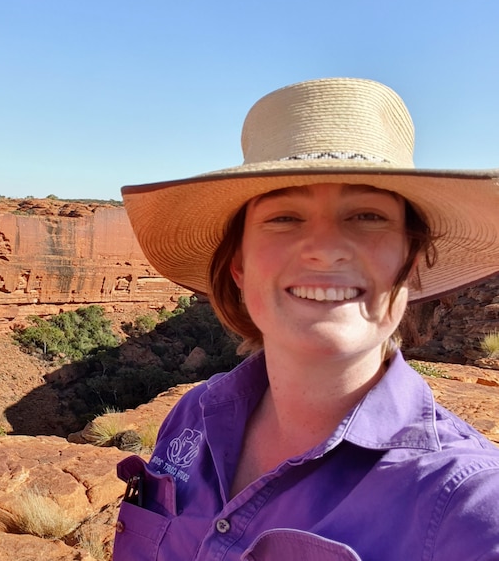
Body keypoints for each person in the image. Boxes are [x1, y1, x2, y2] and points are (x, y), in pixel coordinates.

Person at [113, 77, 499, 560]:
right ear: (239, 265)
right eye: (284, 218)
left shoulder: (471, 506)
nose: (325, 250)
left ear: (411, 262)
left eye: (367, 216)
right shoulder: (193, 418)